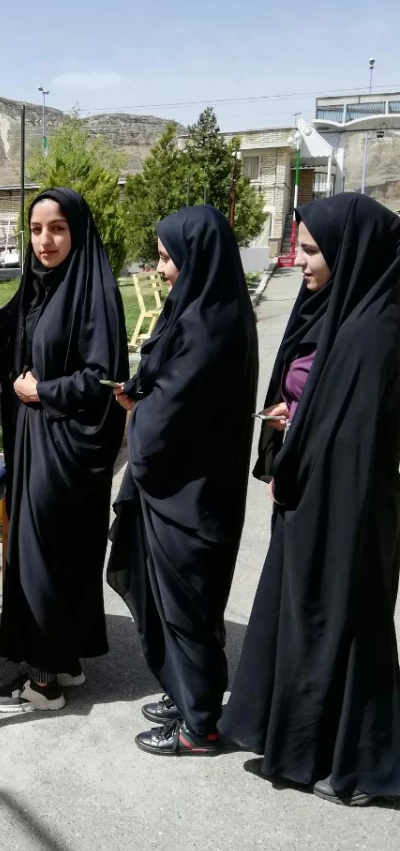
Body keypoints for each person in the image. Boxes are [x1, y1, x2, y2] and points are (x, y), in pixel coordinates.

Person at [220, 193, 400, 805]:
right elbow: (319, 401)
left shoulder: (377, 329)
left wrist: (299, 426)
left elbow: (362, 434)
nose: (300, 260)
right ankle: (304, 746)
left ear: (352, 254)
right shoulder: (336, 308)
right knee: (308, 619)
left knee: (345, 623)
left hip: (349, 505)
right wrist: (291, 415)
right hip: (314, 497)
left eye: (315, 249)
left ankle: (359, 764)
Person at [0, 187, 127, 713]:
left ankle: (41, 683)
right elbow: (8, 323)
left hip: (65, 449)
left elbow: (102, 378)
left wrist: (43, 392)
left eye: (56, 228)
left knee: (42, 558)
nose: (44, 241)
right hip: (40, 443)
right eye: (35, 230)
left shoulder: (94, 294)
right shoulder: (42, 287)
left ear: (77, 231)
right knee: (58, 555)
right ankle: (65, 659)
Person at [106, 206, 257, 756]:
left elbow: (170, 417)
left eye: (169, 259)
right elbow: (167, 384)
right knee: (185, 601)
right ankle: (187, 692)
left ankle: (199, 727)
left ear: (196, 258)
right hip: (192, 488)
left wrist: (135, 411)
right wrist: (142, 388)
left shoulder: (206, 325)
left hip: (188, 495)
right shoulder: (209, 309)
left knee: (187, 603)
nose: (162, 270)